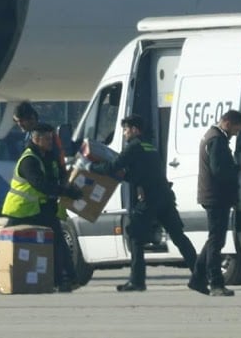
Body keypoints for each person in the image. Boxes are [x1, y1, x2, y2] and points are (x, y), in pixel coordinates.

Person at [85, 115, 201, 293]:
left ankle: (137, 281)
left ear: (134, 130)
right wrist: (134, 180)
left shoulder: (134, 147)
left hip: (150, 199)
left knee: (135, 236)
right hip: (165, 196)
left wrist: (90, 168)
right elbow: (143, 172)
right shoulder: (150, 146)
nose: (124, 133)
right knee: (179, 236)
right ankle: (200, 276)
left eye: (125, 129)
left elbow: (113, 167)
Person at [0, 123, 83, 294]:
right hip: (22, 208)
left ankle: (67, 280)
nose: (50, 142)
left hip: (41, 208)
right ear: (36, 139)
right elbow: (41, 185)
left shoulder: (49, 157)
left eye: (51, 138)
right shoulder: (29, 160)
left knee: (58, 242)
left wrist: (69, 182)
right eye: (47, 139)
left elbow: (58, 176)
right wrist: (66, 191)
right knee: (7, 243)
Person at [193, 109, 241, 297]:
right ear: (227, 123)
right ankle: (215, 283)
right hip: (216, 196)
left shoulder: (213, 136)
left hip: (213, 195)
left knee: (214, 239)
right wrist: (236, 169)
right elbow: (219, 171)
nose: (236, 134)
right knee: (216, 241)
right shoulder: (217, 140)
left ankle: (197, 279)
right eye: (236, 130)